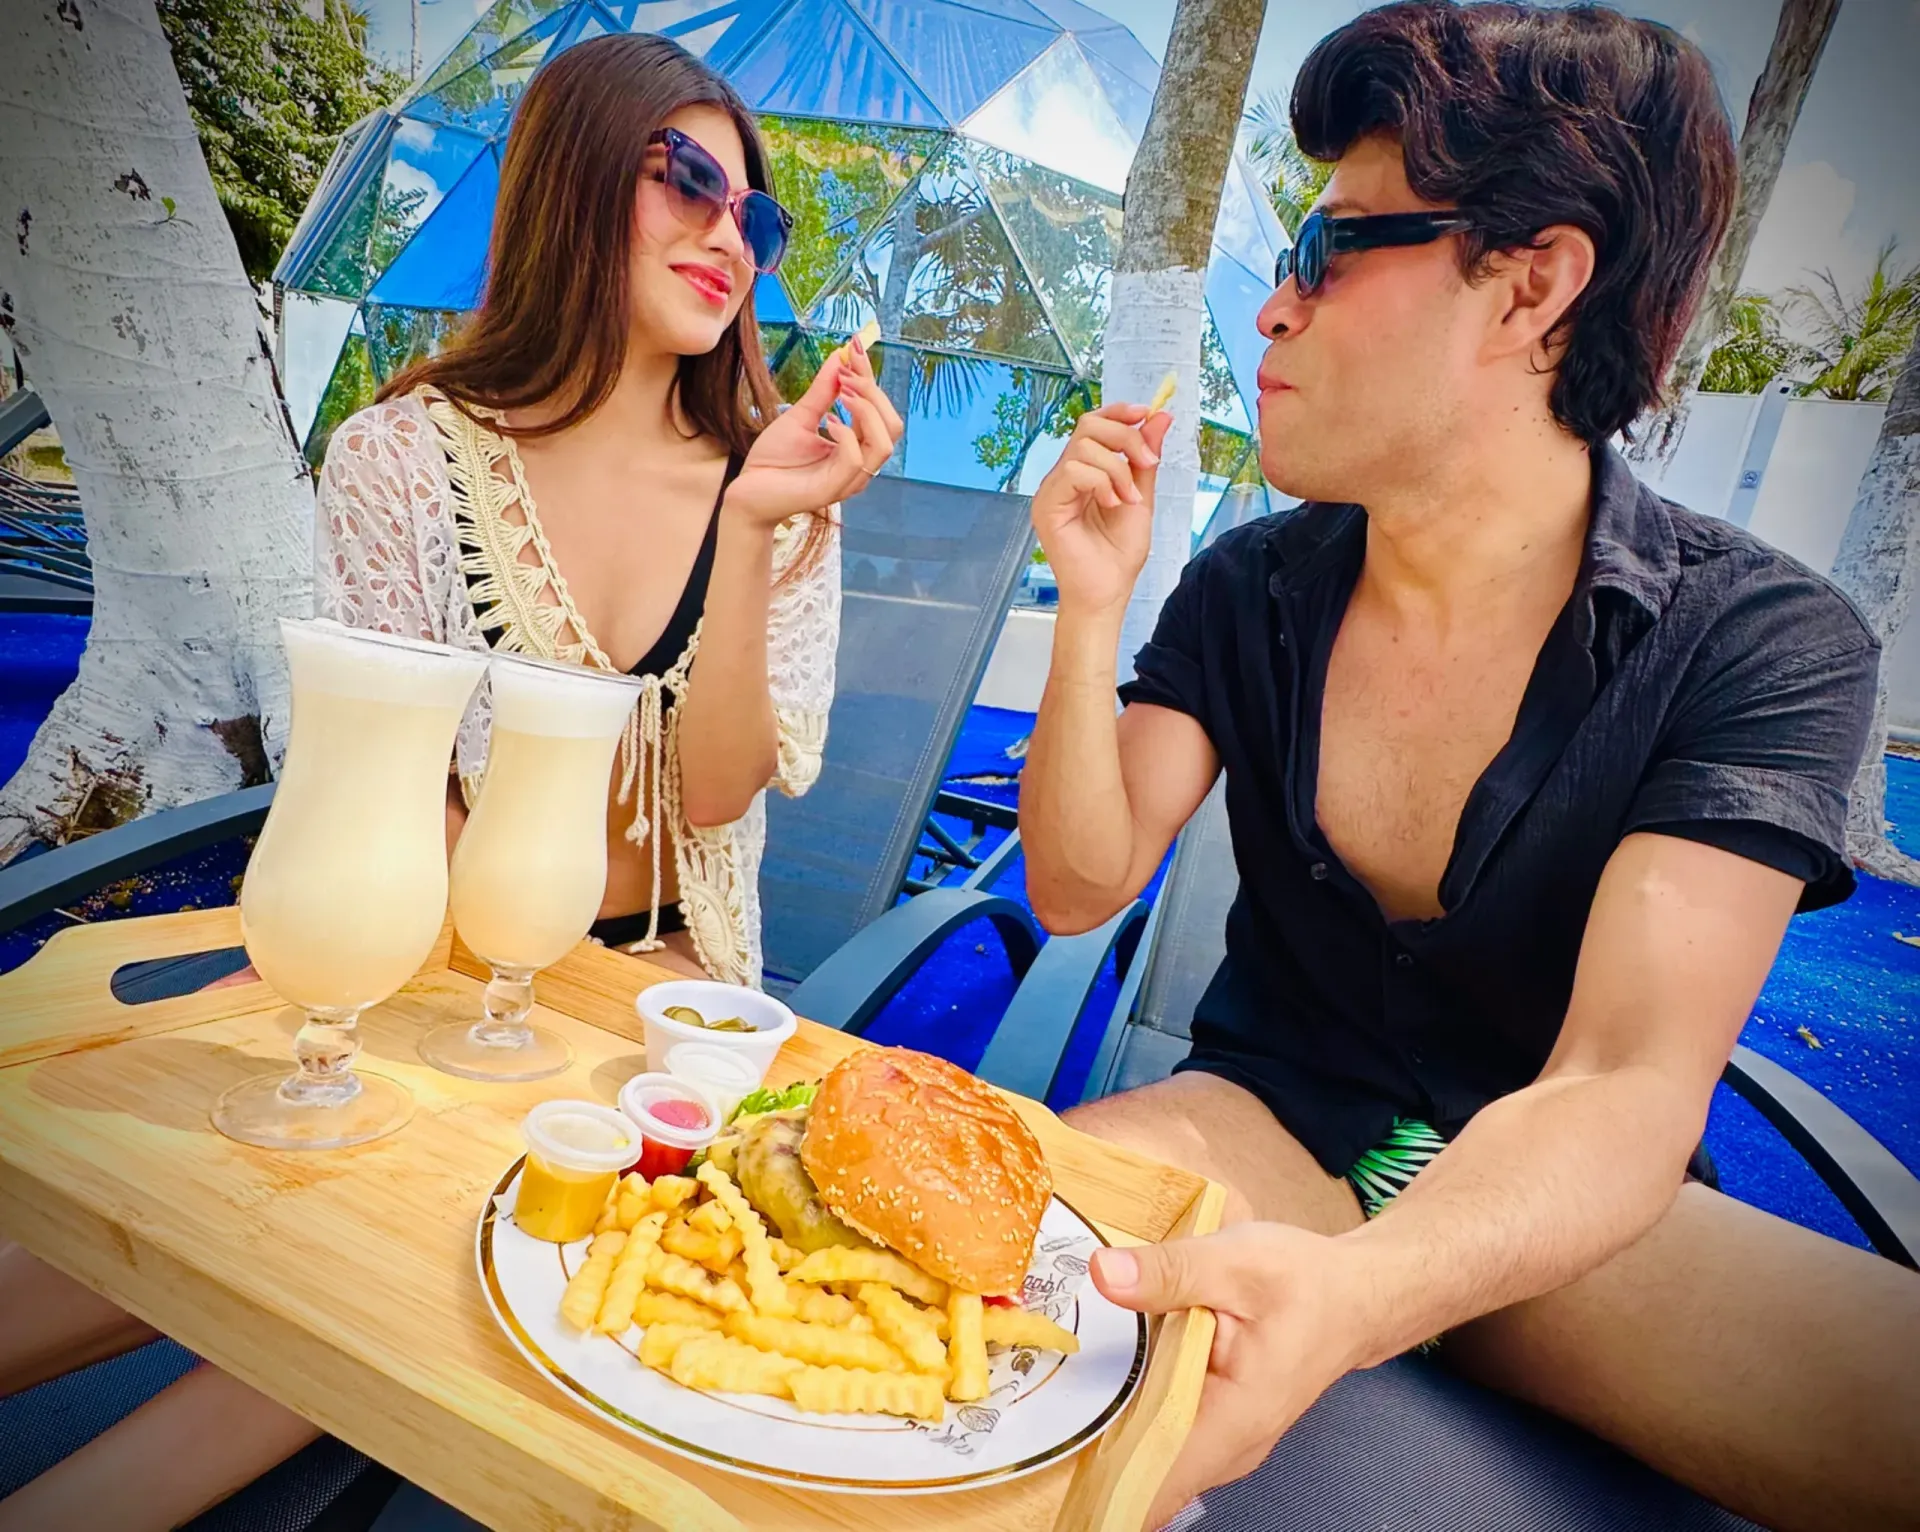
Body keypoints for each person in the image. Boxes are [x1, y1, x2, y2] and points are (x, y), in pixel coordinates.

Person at [1019, 4, 1920, 1530]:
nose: (1271, 310)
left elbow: (1628, 1079)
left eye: (1327, 243)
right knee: (1001, 1309)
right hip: (1268, 1123)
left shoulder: (1759, 641)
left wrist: (1362, 1294)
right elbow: (1077, 880)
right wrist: (1089, 607)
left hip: (1558, 1222)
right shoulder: (1253, 587)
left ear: (1532, 285)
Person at [0, 34, 900, 1530]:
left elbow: (725, 794)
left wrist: (752, 533)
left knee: (392, 1241)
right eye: (687, 179)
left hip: (659, 999)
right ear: (571, 181)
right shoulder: (407, 457)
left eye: (758, 214)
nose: (728, 232)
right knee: (233, 1176)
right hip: (430, 948)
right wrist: (384, 1009)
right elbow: (388, 782)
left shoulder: (779, 491)